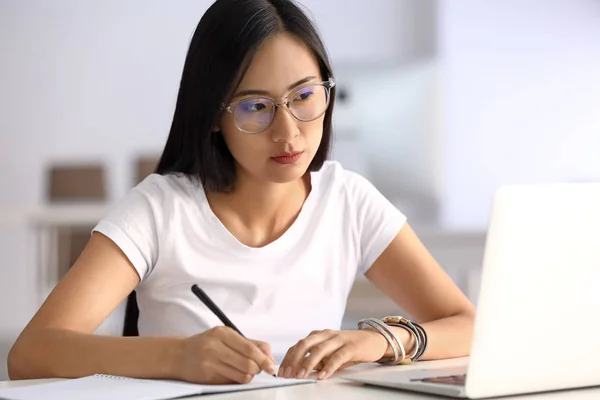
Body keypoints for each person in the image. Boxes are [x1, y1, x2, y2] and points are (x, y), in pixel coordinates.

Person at [8, 0, 475, 385]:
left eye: (305, 96)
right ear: (213, 114)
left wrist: (380, 341)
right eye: (256, 107)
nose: (288, 132)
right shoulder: (160, 210)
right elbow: (31, 354)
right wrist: (175, 358)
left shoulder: (347, 200)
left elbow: (470, 325)